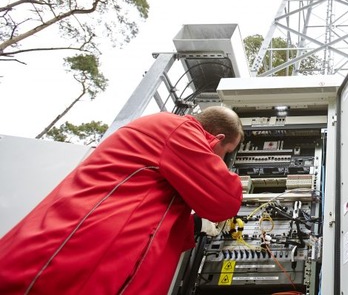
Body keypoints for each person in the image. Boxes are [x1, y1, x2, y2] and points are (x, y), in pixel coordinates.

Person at [0, 106, 244, 295]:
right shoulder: (176, 129)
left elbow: (153, 218)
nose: (222, 162)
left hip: (86, 262)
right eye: (225, 153)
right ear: (217, 137)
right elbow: (223, 202)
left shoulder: (165, 143)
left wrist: (195, 225)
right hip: (70, 263)